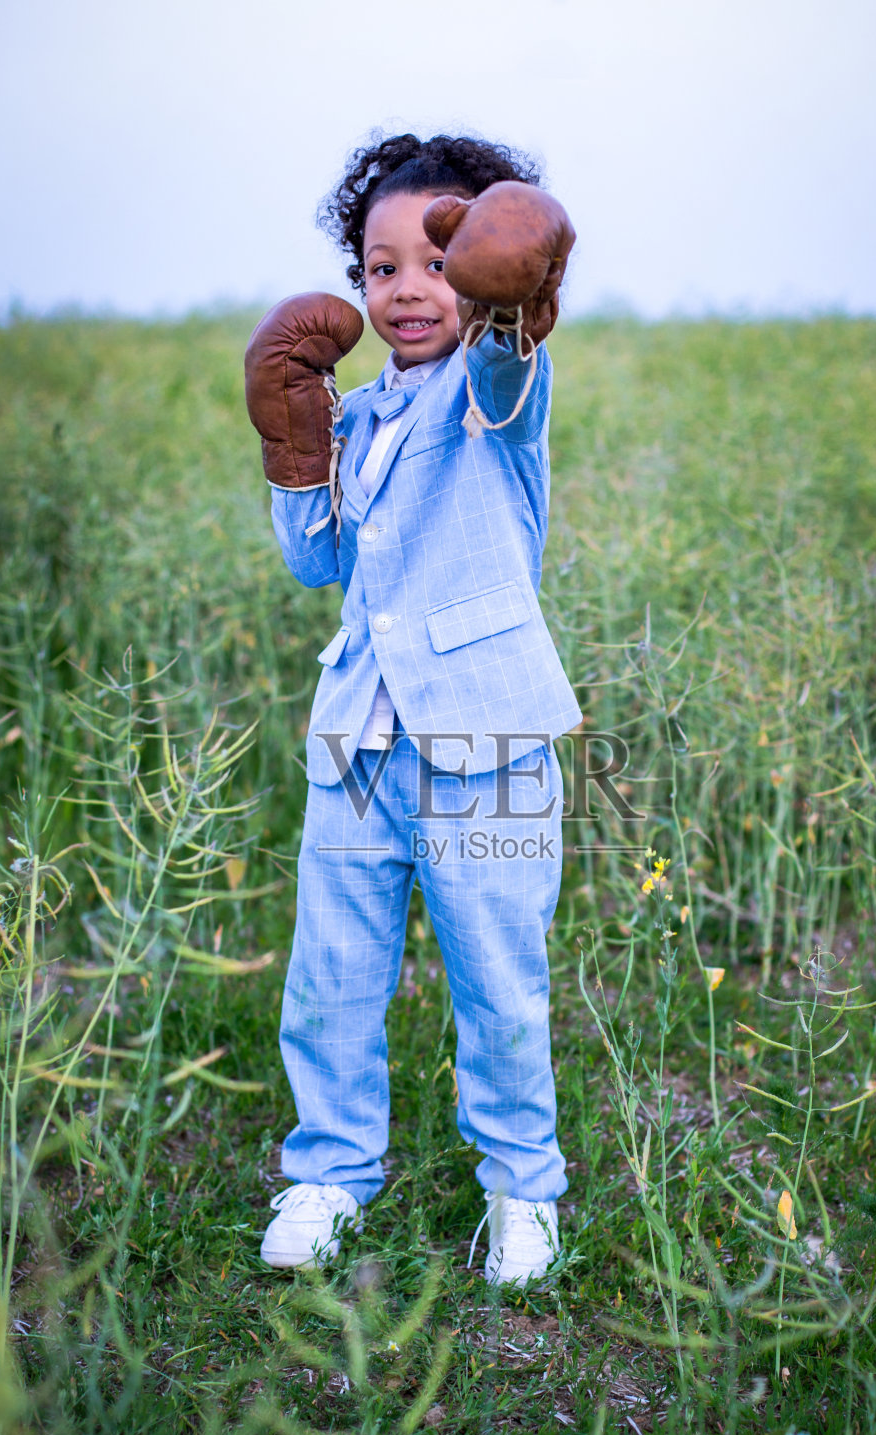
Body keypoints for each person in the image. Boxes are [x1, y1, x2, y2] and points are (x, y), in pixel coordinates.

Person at [243, 132, 580, 1285]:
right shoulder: (358, 413)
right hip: (357, 737)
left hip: (486, 736)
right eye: (379, 268)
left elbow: (506, 365)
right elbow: (317, 562)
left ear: (478, 272)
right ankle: (329, 1170)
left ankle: (521, 1186)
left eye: (435, 262)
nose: (403, 290)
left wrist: (513, 296)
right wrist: (296, 437)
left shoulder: (495, 395)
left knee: (495, 973)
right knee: (330, 971)